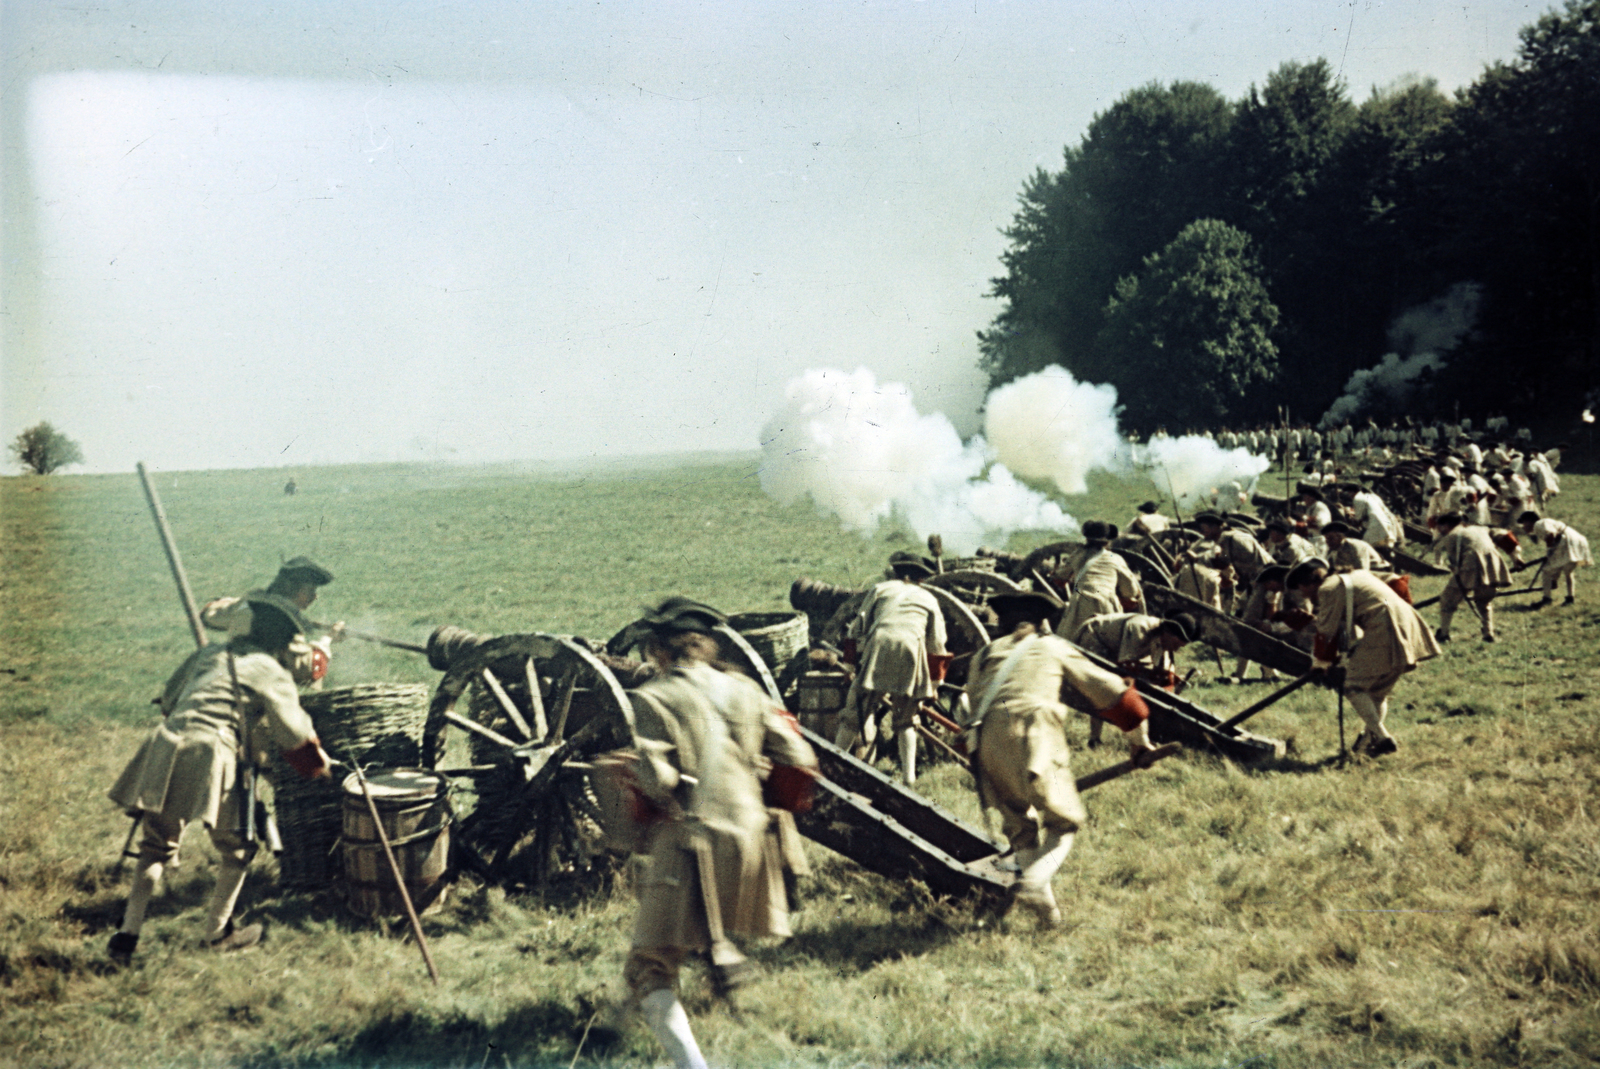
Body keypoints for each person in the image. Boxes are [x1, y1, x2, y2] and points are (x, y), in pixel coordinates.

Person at [622, 597, 817, 1069]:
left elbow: (658, 780)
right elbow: (799, 756)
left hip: (693, 846)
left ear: (658, 652)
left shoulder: (654, 697)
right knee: (687, 935)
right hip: (752, 844)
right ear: (707, 646)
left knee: (648, 967)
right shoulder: (745, 689)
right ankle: (711, 964)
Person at [106, 593, 333, 964]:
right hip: (212, 751)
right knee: (238, 848)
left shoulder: (207, 655)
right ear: (281, 641)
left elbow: (168, 699)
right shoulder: (270, 670)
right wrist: (318, 766)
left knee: (156, 847)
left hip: (167, 743)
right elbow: (293, 732)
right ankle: (217, 933)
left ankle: (125, 937)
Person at [963, 592, 1154, 926]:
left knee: (1021, 829)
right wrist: (1140, 743)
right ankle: (1035, 883)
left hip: (984, 742)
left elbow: (970, 703)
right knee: (1064, 822)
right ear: (1042, 623)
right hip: (1034, 733)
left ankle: (1049, 916)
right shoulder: (1051, 646)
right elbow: (1118, 696)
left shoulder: (983, 654)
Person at [1286, 561, 1440, 757]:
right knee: (1376, 693)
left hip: (1384, 628)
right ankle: (1366, 745)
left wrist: (1319, 664)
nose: (1306, 596)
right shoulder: (1357, 574)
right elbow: (1394, 583)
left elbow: (1327, 631)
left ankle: (1382, 737)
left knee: (1353, 686)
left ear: (1307, 584)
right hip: (1407, 622)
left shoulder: (1328, 588)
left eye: (1303, 591)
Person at [834, 554, 948, 783]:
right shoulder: (928, 598)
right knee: (907, 719)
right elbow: (937, 645)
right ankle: (909, 778)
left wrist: (848, 666)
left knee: (853, 715)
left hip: (879, 645)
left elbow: (856, 628)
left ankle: (832, 766)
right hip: (910, 651)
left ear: (899, 574)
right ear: (918, 579)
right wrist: (935, 685)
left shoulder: (880, 589)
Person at [201, 557, 342, 687]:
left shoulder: (245, 605)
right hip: (254, 690)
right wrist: (328, 639)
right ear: (291, 588)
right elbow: (312, 668)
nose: (315, 596)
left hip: (223, 675)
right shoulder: (285, 623)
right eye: (310, 590)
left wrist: (242, 601)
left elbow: (208, 613)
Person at [1069, 612, 1193, 746]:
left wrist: (1169, 684)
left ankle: (1147, 736)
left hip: (1115, 648)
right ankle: (1095, 738)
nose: (1176, 649)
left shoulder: (1163, 638)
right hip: (1095, 638)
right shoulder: (1139, 628)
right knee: (1105, 686)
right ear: (1168, 633)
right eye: (1176, 644)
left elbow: (1161, 674)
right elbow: (1126, 669)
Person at [1054, 520, 1145, 641]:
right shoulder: (1115, 558)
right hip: (1106, 604)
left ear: (1087, 538)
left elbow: (1059, 580)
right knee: (1110, 643)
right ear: (1107, 541)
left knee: (1068, 642)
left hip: (1080, 603)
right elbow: (1130, 591)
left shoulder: (1077, 555)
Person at [1430, 513, 1513, 642]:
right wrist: (1516, 557)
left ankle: (1444, 634)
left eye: (1439, 527)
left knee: (1447, 600)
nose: (1439, 530)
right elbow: (1502, 534)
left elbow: (1454, 563)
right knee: (1484, 601)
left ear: (1445, 526)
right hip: (1493, 566)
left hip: (1471, 566)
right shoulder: (1480, 529)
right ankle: (1489, 633)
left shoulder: (1451, 536)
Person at [1519, 512, 1593, 607]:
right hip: (1577, 540)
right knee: (1568, 571)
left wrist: (1549, 550)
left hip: (1566, 542)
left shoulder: (1539, 524)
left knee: (1546, 571)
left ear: (1529, 521)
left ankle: (1547, 598)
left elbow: (1551, 535)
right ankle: (1570, 598)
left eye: (1524, 523)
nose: (1523, 526)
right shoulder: (1544, 523)